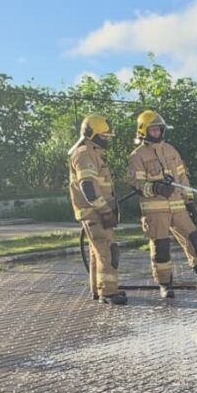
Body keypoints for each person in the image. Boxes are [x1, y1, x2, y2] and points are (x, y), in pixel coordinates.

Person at [127, 110, 197, 298]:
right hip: (155, 211)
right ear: (143, 131)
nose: (156, 133)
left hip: (178, 207)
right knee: (161, 249)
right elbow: (137, 184)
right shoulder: (137, 155)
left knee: (195, 241)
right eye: (152, 130)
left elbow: (182, 177)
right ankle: (165, 285)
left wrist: (189, 200)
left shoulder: (171, 150)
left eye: (158, 129)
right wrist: (157, 189)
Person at [68, 115, 127, 305]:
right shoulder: (85, 153)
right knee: (107, 251)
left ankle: (98, 289)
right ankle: (109, 292)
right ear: (91, 134)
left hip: (96, 211)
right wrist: (105, 210)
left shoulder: (92, 152)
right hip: (95, 211)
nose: (107, 139)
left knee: (97, 252)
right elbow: (88, 188)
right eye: (104, 135)